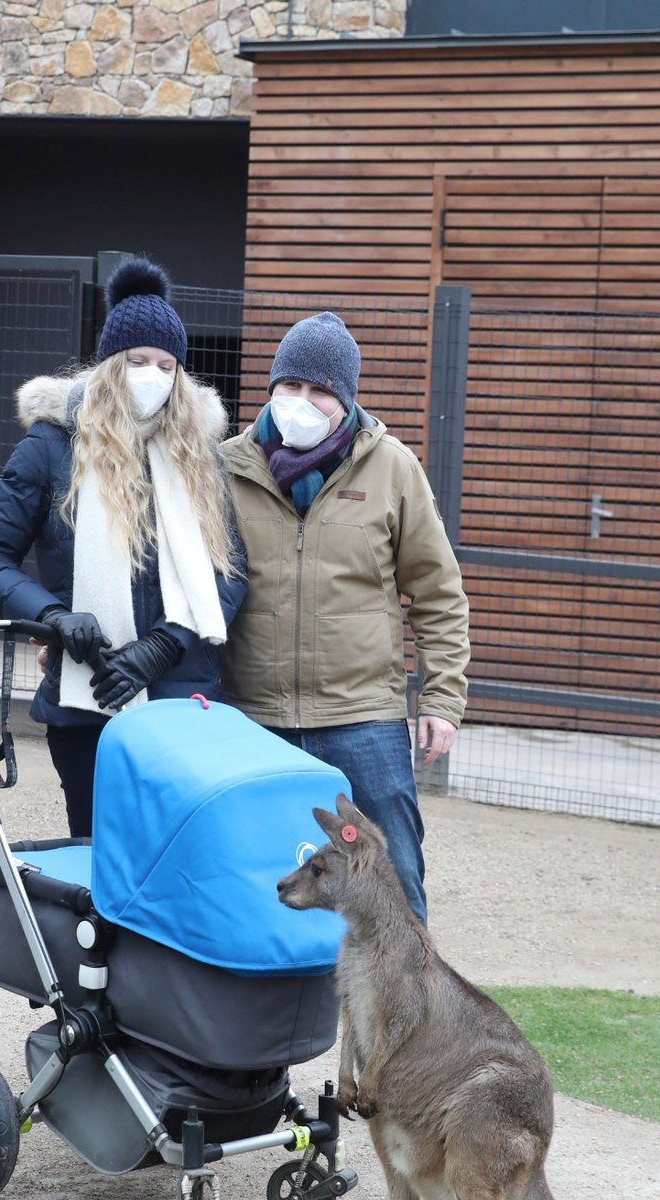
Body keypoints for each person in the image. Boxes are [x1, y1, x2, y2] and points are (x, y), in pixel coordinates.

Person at [0, 256, 247, 838]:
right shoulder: (52, 447)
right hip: (84, 693)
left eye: (167, 365)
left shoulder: (199, 457)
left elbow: (231, 571)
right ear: (110, 366)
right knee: (97, 852)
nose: (153, 375)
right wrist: (53, 618)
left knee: (175, 855)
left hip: (181, 695)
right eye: (138, 361)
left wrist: (164, 646)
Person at [220, 311, 469, 924]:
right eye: (290, 386)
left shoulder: (393, 468)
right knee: (259, 882)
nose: (301, 401)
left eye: (320, 390)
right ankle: (271, 1017)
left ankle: (408, 1019)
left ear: (346, 398)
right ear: (271, 388)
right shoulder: (223, 467)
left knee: (393, 885)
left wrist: (441, 698)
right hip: (254, 718)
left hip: (363, 720)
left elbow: (437, 590)